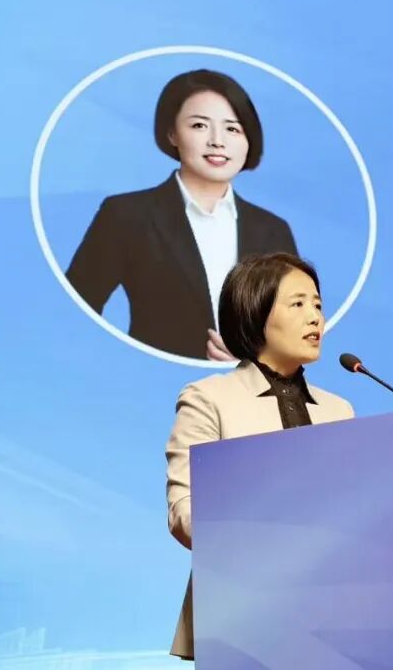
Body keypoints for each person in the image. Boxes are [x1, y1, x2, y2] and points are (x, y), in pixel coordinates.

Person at [164, 252, 354, 660]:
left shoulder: (340, 411)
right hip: (241, 617)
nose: (315, 318)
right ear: (254, 313)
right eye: (298, 304)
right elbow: (183, 511)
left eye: (318, 305)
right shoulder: (209, 399)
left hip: (335, 616)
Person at [66, 69, 298, 360]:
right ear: (172, 133)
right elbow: (72, 315)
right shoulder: (126, 216)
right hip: (151, 380)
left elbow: (295, 328)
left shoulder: (273, 230)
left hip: (249, 386)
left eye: (233, 129)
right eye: (200, 125)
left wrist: (256, 363)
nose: (217, 141)